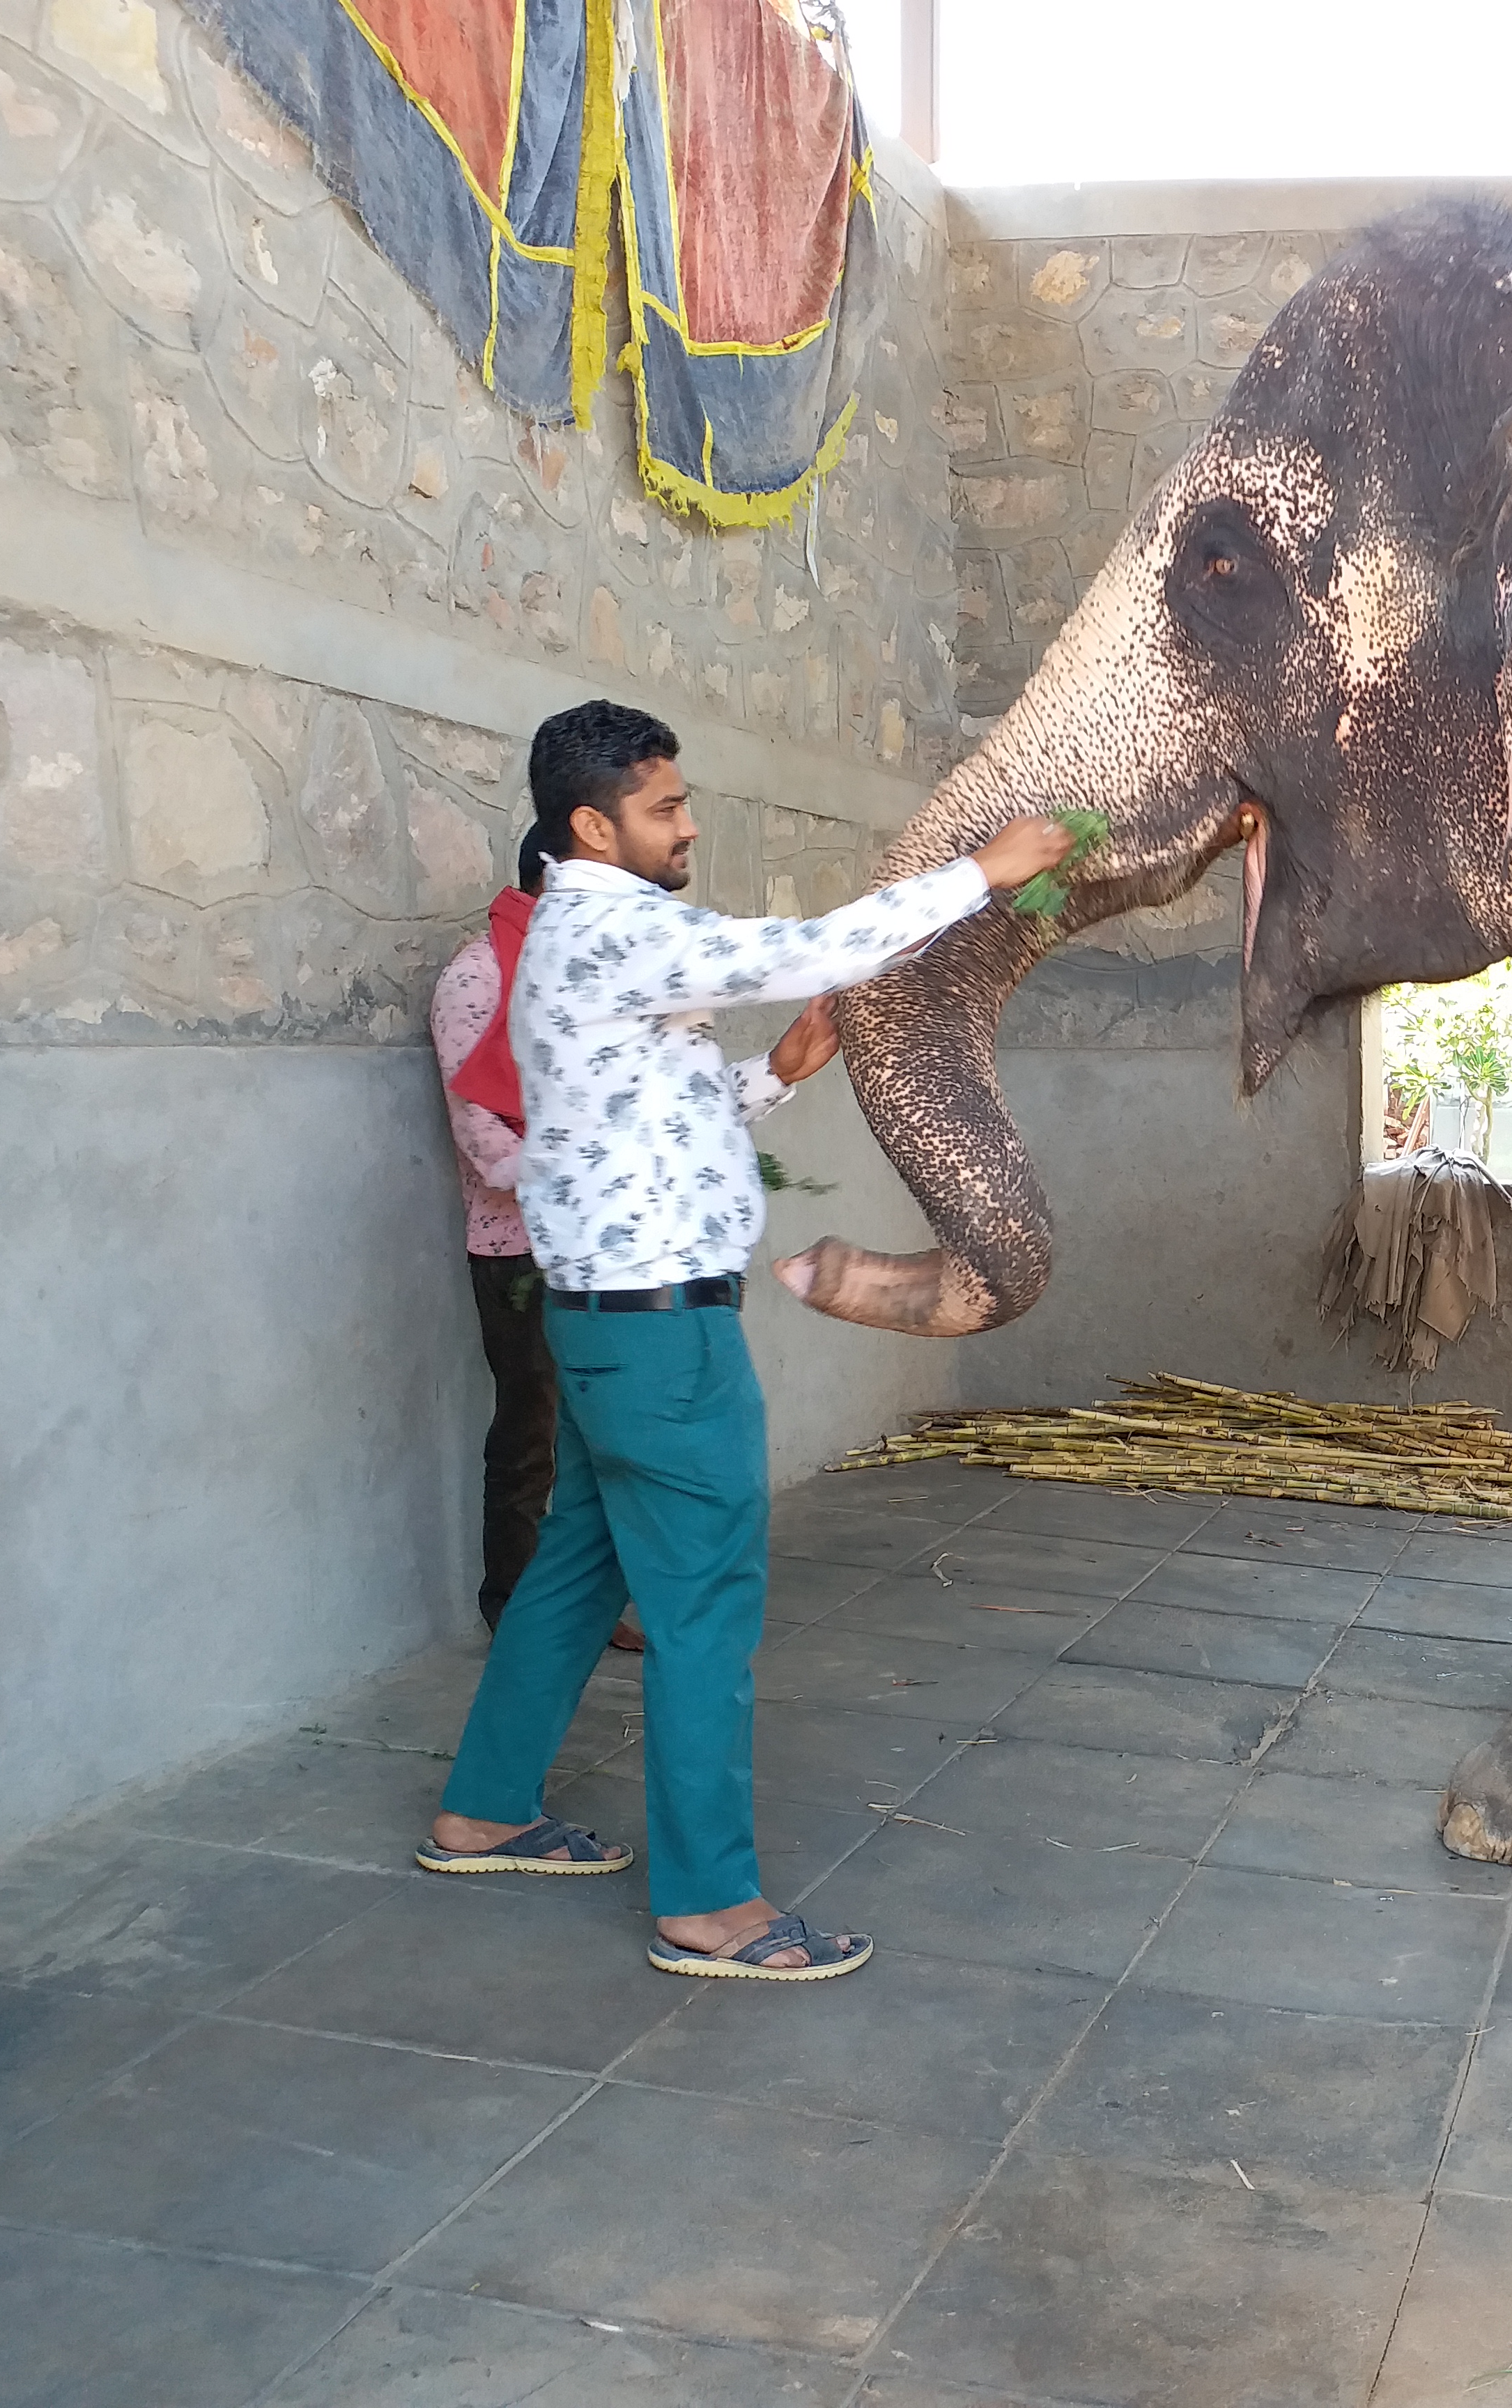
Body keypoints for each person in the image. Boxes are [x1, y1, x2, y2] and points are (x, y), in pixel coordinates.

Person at [415, 700, 1073, 1982]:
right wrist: (982, 875)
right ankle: (709, 1905)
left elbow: (651, 1111)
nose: (688, 823)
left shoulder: (570, 938)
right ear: (592, 825)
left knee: (568, 1576)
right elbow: (808, 944)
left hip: (610, 1326)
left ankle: (482, 1808)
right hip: (661, 1341)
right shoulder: (615, 925)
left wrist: (775, 1070)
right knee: (705, 1604)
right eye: (664, 807)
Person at [429, 827, 640, 1651]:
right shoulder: (479, 978)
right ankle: (515, 1614)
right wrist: (595, 1158)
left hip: (597, 1241)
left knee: (605, 1437)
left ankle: (588, 1605)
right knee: (532, 1436)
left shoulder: (583, 978)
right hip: (517, 1250)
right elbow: (484, 1144)